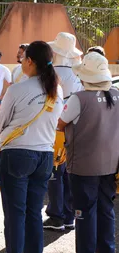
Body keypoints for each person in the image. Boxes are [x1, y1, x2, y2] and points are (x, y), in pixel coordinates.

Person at [0, 41, 64, 253]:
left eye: (23, 58)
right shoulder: (56, 90)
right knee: (33, 214)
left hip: (17, 156)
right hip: (44, 157)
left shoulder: (17, 90)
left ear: (30, 61)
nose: (21, 62)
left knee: (15, 216)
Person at [58, 52, 119, 253]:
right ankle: (107, 252)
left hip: (83, 164)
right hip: (111, 163)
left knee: (83, 210)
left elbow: (60, 123)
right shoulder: (117, 95)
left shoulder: (79, 98)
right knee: (106, 207)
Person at [43, 32, 83, 232]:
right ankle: (68, 214)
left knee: (55, 174)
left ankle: (56, 215)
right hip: (74, 131)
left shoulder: (51, 74)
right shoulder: (77, 75)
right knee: (67, 174)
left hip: (54, 130)